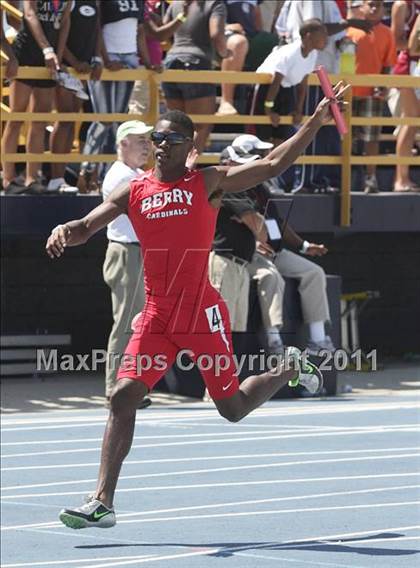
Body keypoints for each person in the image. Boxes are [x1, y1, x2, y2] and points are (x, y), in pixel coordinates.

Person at [46, 85, 347, 528]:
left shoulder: (207, 183)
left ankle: (289, 367)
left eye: (169, 139)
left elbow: (272, 163)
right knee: (122, 396)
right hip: (157, 315)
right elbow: (88, 226)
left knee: (231, 409)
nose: (160, 145)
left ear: (191, 147)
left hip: (200, 314)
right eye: (156, 138)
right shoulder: (135, 189)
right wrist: (65, 230)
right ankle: (102, 500)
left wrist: (313, 123)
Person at [230, 135, 335, 354]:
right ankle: (274, 341)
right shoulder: (229, 187)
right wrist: (254, 243)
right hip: (247, 255)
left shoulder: (261, 187)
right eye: (256, 156)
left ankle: (318, 341)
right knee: (271, 277)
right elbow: (225, 228)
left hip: (275, 252)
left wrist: (304, 245)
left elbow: (278, 224)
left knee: (315, 272)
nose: (261, 159)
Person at [101, 120, 153, 410]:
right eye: (139, 140)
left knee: (136, 323)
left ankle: (128, 385)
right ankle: (114, 388)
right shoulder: (122, 177)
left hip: (135, 253)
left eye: (147, 139)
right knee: (125, 323)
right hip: (126, 253)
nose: (146, 145)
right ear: (123, 144)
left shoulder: (132, 174)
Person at [78, 0, 153, 192]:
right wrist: (104, 57)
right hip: (107, 56)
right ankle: (86, 171)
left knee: (117, 123)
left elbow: (140, 30)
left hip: (129, 56)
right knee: (103, 119)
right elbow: (96, 26)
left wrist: (147, 61)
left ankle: (105, 174)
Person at [1, 0, 72, 194]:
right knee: (16, 117)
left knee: (40, 120)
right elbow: (30, 14)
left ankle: (32, 178)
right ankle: (8, 179)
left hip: (48, 60)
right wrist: (47, 49)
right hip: (25, 54)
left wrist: (57, 54)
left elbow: (65, 21)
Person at [161, 0, 231, 154]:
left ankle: (171, 169)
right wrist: (226, 53)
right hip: (197, 64)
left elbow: (163, 35)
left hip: (171, 63)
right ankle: (187, 170)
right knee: (201, 126)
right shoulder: (215, 5)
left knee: (176, 125)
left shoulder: (175, 5)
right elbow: (216, 35)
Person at [48, 0, 102, 193]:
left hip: (83, 69)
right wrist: (72, 62)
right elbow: (60, 34)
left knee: (71, 120)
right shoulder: (68, 2)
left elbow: (96, 31)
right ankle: (55, 178)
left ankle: (61, 179)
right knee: (64, 119)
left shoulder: (95, 3)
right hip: (66, 67)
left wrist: (96, 59)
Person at [253, 19, 328, 147]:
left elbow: (303, 84)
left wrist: (298, 109)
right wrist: (268, 109)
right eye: (323, 35)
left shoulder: (313, 54)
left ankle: (275, 167)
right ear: (309, 36)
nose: (326, 39)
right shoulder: (290, 53)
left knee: (280, 137)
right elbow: (275, 81)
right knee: (263, 138)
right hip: (266, 89)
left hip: (285, 90)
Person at [347, 0, 397, 194]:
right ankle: (344, 177)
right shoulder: (349, 29)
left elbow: (388, 63)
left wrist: (383, 87)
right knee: (345, 136)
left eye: (379, 5)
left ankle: (370, 178)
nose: (375, 8)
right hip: (347, 91)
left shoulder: (387, 32)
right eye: (371, 4)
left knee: (371, 138)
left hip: (371, 93)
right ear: (362, 7)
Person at [391, 0, 420, 192]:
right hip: (407, 66)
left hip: (414, 66)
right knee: (410, 122)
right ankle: (401, 180)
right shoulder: (402, 5)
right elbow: (403, 44)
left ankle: (402, 178)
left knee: (411, 122)